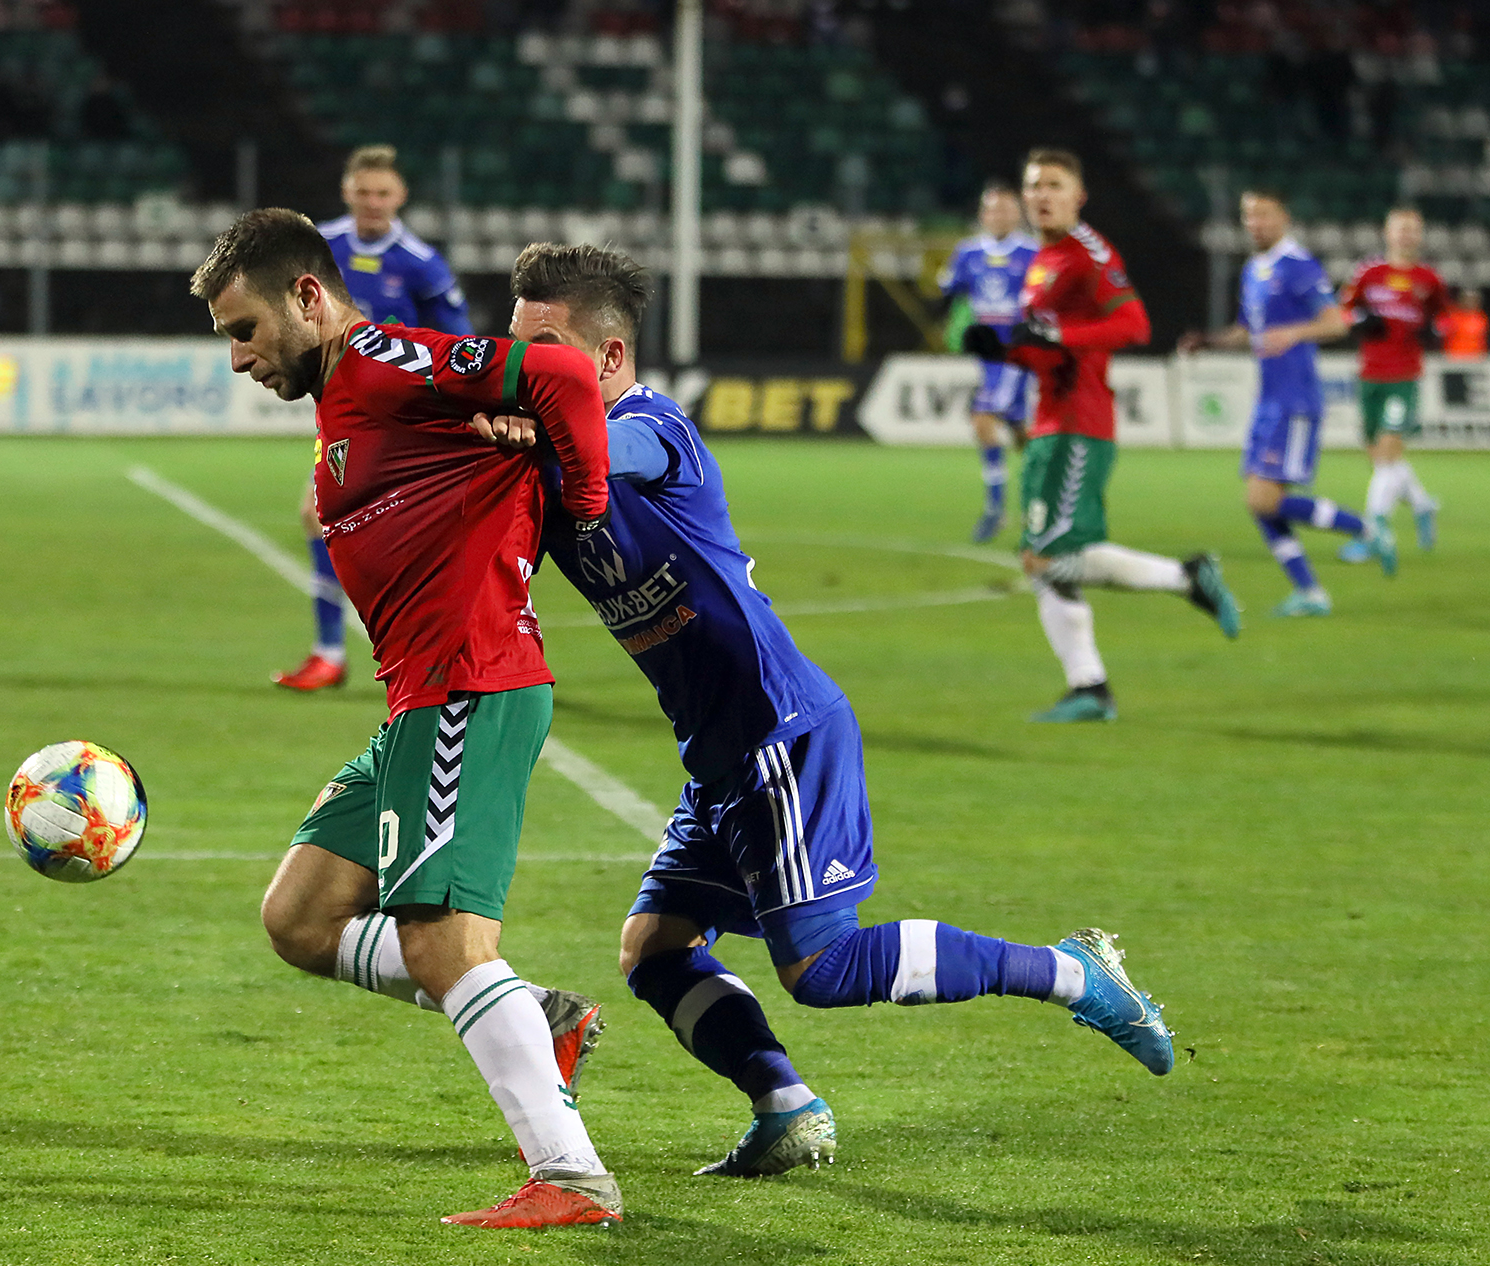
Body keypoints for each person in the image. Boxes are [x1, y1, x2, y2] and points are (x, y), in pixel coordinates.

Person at [461, 241, 1176, 1177]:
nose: (525, 367)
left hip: (779, 729)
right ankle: (787, 1107)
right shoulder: (550, 458)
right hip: (719, 748)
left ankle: (1073, 972)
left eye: (546, 348)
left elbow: (612, 452)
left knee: (823, 969)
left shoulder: (653, 428)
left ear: (608, 356)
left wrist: (529, 434)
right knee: (654, 947)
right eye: (516, 347)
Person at [194, 208, 623, 1229]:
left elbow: (559, 376)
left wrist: (587, 500)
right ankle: (530, 1014)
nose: (239, 357)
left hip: (469, 683)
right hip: (416, 702)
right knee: (300, 918)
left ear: (308, 296)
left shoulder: (383, 361)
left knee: (439, 941)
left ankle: (570, 1177)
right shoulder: (349, 398)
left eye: (245, 329)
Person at [963, 149, 1240, 723]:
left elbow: (1134, 324)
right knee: (1041, 559)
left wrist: (1056, 335)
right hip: (1048, 422)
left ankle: (1187, 577)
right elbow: (1045, 344)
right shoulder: (1043, 261)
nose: (1042, 195)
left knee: (1051, 559)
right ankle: (1089, 688)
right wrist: (1005, 349)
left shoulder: (1089, 253)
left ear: (1078, 196)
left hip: (1078, 425)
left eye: (1054, 185)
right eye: (1034, 185)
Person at [274, 145, 473, 693]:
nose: (372, 202)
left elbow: (460, 343)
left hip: (400, 413)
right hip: (343, 408)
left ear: (400, 196)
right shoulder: (321, 247)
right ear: (347, 192)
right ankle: (342, 653)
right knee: (324, 517)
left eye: (382, 193)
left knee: (342, 521)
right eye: (363, 192)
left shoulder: (421, 263)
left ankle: (352, 652)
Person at [1178, 188, 1385, 617]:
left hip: (1295, 398)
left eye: (1265, 214)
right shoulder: (1254, 269)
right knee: (1260, 504)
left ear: (1284, 217)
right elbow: (1247, 331)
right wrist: (1210, 341)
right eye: (1249, 215)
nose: (1256, 223)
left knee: (1263, 500)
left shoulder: (1298, 265)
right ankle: (1310, 593)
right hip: (1268, 400)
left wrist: (1293, 333)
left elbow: (1335, 323)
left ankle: (1366, 529)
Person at [1339, 207, 1447, 557]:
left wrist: (1435, 331)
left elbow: (1445, 317)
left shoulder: (1429, 279)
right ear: (1387, 233)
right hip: (1370, 374)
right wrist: (1359, 319)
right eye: (1400, 229)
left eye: (1412, 229)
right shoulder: (1368, 273)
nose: (1406, 235)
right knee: (1379, 459)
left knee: (1387, 452)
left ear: (1420, 235)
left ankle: (1373, 534)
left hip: (1404, 375)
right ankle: (1422, 505)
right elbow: (1342, 309)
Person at [936, 182, 1038, 542]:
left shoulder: (1031, 252)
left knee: (982, 420)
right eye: (993, 210)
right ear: (983, 215)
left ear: (1018, 215)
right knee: (1021, 433)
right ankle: (1042, 496)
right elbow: (949, 291)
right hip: (988, 358)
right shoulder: (968, 252)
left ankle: (996, 510)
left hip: (1017, 355)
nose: (999, 216)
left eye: (1006, 210)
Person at [1438, 287, 1488, 357]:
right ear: (1461, 300)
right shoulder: (1449, 315)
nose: (1470, 303)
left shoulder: (1481, 317)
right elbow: (1440, 331)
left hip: (1475, 358)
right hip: (1453, 357)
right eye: (1467, 299)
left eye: (1474, 300)